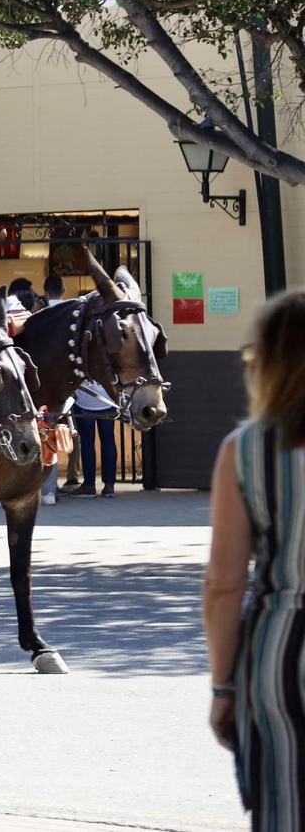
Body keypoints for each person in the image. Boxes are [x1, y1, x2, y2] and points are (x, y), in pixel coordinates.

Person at [203, 289, 305, 830]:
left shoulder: (245, 449)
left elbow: (223, 584)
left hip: (281, 650)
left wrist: (224, 688)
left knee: (283, 808)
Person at [68, 380, 118, 497]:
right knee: (108, 440)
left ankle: (89, 485)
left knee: (87, 442)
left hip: (84, 399)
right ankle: (109, 485)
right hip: (107, 400)